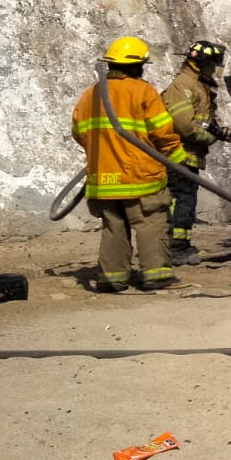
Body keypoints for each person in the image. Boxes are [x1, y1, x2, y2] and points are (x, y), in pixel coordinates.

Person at [70, 36, 187, 292]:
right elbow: (162, 133)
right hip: (139, 176)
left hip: (103, 180)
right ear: (137, 66)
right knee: (151, 222)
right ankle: (156, 275)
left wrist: (104, 156)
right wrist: (180, 160)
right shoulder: (142, 90)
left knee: (114, 226)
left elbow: (79, 132)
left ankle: (112, 278)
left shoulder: (90, 94)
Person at [160, 40, 231, 266]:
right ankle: (175, 249)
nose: (214, 70)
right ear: (201, 63)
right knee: (180, 202)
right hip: (178, 155)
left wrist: (217, 129)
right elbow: (185, 126)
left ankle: (180, 246)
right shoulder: (182, 86)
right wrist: (211, 136)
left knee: (186, 201)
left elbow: (200, 120)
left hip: (189, 156)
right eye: (212, 64)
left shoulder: (198, 86)